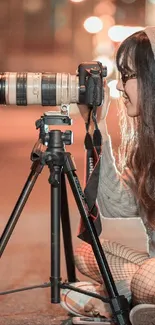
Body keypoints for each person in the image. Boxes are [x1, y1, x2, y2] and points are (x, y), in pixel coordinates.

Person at [60, 26, 155, 325]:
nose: (118, 87)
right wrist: (95, 128)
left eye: (127, 76)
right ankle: (128, 302)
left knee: (144, 280)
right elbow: (117, 205)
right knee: (88, 254)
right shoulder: (148, 145)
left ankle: (118, 298)